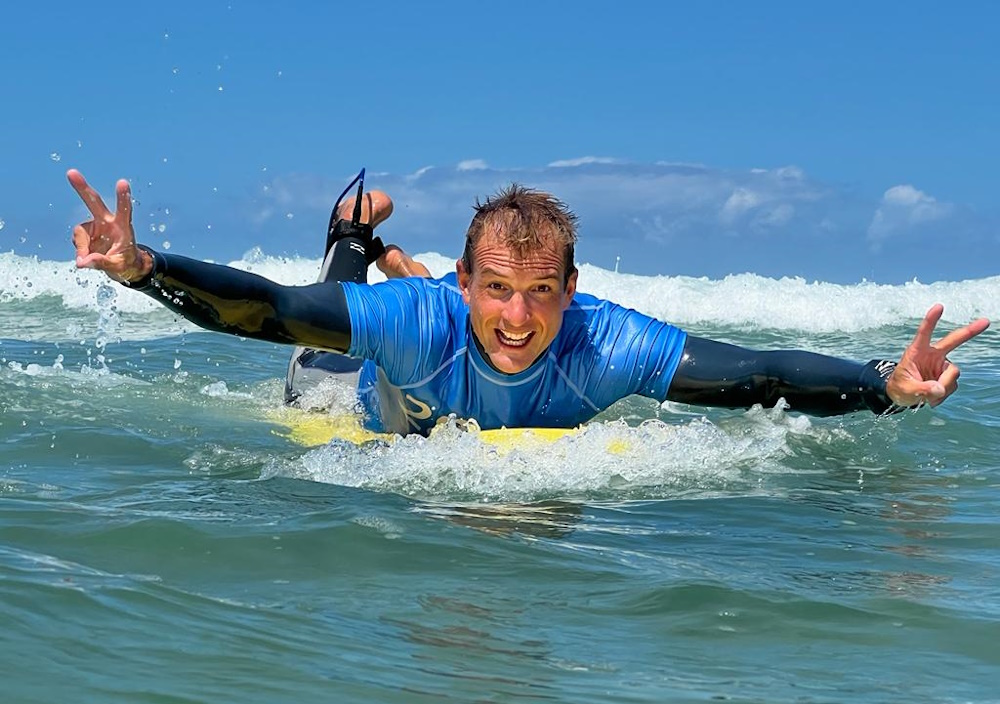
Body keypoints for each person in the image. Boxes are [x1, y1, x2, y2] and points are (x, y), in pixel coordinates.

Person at [66, 168, 990, 437]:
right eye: (498, 291)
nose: (518, 318)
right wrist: (148, 267)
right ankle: (352, 239)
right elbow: (261, 307)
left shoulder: (605, 342)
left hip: (438, 350)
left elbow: (753, 375)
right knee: (311, 343)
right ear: (467, 287)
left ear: (572, 292)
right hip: (371, 397)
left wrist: (883, 382)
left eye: (540, 293)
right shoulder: (425, 317)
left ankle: (378, 248)